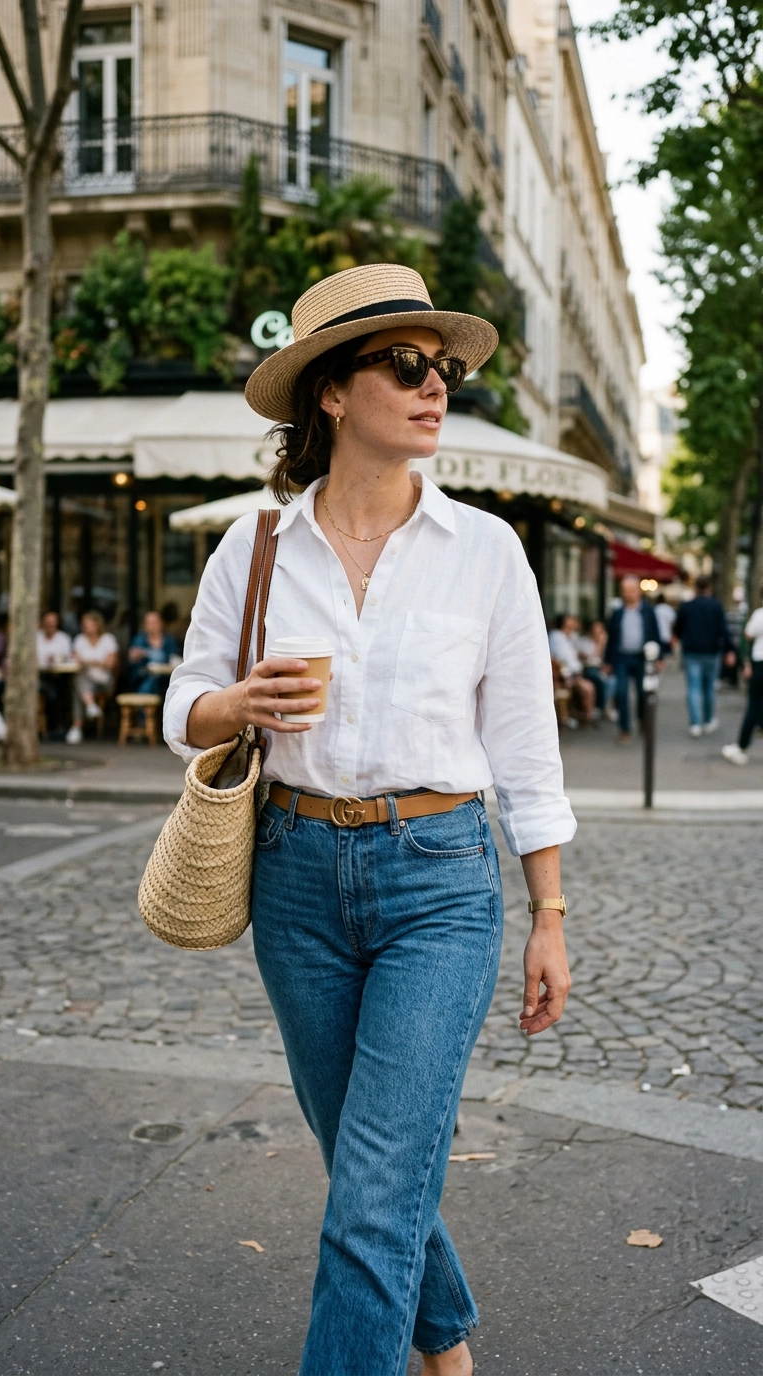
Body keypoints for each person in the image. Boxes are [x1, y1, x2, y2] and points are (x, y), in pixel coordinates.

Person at [164, 263, 577, 1376]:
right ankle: (444, 1341)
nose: (435, 385)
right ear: (332, 394)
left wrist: (547, 908)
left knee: (373, 1187)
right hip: (293, 876)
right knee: (366, 1163)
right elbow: (179, 700)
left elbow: (526, 746)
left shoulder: (488, 551)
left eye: (442, 367)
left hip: (438, 879)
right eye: (405, 365)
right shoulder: (254, 548)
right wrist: (233, 704)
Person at [673, 574, 735, 737]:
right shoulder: (715, 606)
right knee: (709, 688)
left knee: (693, 688)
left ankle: (695, 724)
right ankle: (708, 720)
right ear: (709, 588)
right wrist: (729, 650)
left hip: (692, 651)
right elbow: (723, 630)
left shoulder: (687, 606)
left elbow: (678, 629)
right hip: (711, 652)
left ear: (695, 588)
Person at [604, 576, 663, 742]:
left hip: (642, 657)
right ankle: (624, 728)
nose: (629, 594)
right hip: (622, 657)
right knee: (621, 693)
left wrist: (659, 657)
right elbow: (612, 638)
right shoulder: (617, 613)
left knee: (642, 693)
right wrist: (608, 662)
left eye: (632, 590)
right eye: (626, 591)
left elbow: (655, 634)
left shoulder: (647, 611)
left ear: (638, 591)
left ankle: (642, 720)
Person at [722, 590, 763, 764]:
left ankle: (741, 747)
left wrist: (747, 664)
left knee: (753, 706)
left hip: (760, 663)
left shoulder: (760, 615)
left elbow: (748, 634)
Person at [66, 611, 119, 744]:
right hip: (86, 679)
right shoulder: (79, 639)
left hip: (104, 681)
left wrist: (89, 662)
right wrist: (96, 662)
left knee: (78, 685)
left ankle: (77, 727)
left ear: (97, 625)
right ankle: (89, 706)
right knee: (80, 682)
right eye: (84, 624)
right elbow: (75, 660)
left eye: (88, 624)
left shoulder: (108, 639)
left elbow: (110, 664)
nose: (85, 627)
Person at [548, 614, 597, 721]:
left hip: (574, 673)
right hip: (564, 675)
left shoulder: (572, 637)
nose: (575, 622)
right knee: (588, 688)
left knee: (591, 684)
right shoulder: (556, 637)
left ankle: (585, 715)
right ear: (565, 622)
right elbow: (563, 658)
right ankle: (588, 717)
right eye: (571, 620)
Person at [37, 611, 73, 735]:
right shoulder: (35, 638)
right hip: (38, 677)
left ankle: (57, 726)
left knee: (61, 686)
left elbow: (67, 659)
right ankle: (52, 726)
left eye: (53, 623)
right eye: (48, 623)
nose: (51, 626)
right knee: (51, 690)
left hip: (58, 675)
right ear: (42, 623)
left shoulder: (63, 639)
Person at [127, 611, 180, 696]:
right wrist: (135, 656)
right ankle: (146, 707)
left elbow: (174, 659)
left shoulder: (169, 641)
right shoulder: (139, 640)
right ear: (145, 625)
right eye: (149, 623)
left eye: (155, 622)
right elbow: (131, 660)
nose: (152, 626)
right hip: (144, 677)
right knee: (150, 683)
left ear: (161, 623)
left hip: (166, 677)